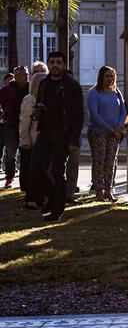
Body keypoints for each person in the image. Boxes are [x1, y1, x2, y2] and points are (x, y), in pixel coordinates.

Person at [30, 52, 84, 222]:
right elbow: (40, 104)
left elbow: (78, 115)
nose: (55, 65)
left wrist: (74, 139)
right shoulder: (44, 84)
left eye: (59, 62)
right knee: (35, 169)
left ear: (64, 65)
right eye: (52, 62)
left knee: (57, 172)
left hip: (63, 133)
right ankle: (54, 198)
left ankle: (58, 209)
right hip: (45, 132)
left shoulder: (72, 86)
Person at [87, 66, 128, 203]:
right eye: (107, 76)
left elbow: (123, 111)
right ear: (101, 77)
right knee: (99, 161)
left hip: (114, 133)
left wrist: (119, 126)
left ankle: (108, 190)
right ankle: (98, 190)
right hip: (98, 132)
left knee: (111, 161)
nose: (110, 79)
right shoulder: (94, 93)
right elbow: (94, 114)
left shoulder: (116, 92)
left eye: (112, 76)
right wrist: (108, 128)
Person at [18, 72, 46, 209]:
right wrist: (24, 139)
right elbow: (24, 121)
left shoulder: (44, 99)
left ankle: (39, 197)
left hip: (43, 140)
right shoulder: (30, 99)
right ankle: (31, 198)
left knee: (41, 171)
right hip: (32, 140)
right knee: (31, 171)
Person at [0, 66, 29, 188]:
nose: (27, 76)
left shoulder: (31, 88)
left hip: (27, 125)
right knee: (11, 152)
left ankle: (26, 180)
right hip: (11, 125)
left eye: (27, 74)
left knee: (27, 152)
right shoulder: (7, 90)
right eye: (24, 74)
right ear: (17, 77)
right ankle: (10, 177)